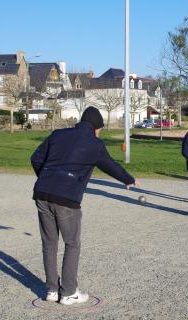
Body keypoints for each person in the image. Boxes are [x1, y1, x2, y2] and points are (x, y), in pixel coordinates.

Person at [31, 106, 137, 305]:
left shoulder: (57, 134)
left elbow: (35, 158)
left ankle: (52, 290)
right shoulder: (94, 143)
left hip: (42, 194)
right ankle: (69, 292)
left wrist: (47, 178)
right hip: (66, 200)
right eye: (100, 129)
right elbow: (110, 164)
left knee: (49, 243)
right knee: (72, 243)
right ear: (96, 127)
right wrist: (128, 179)